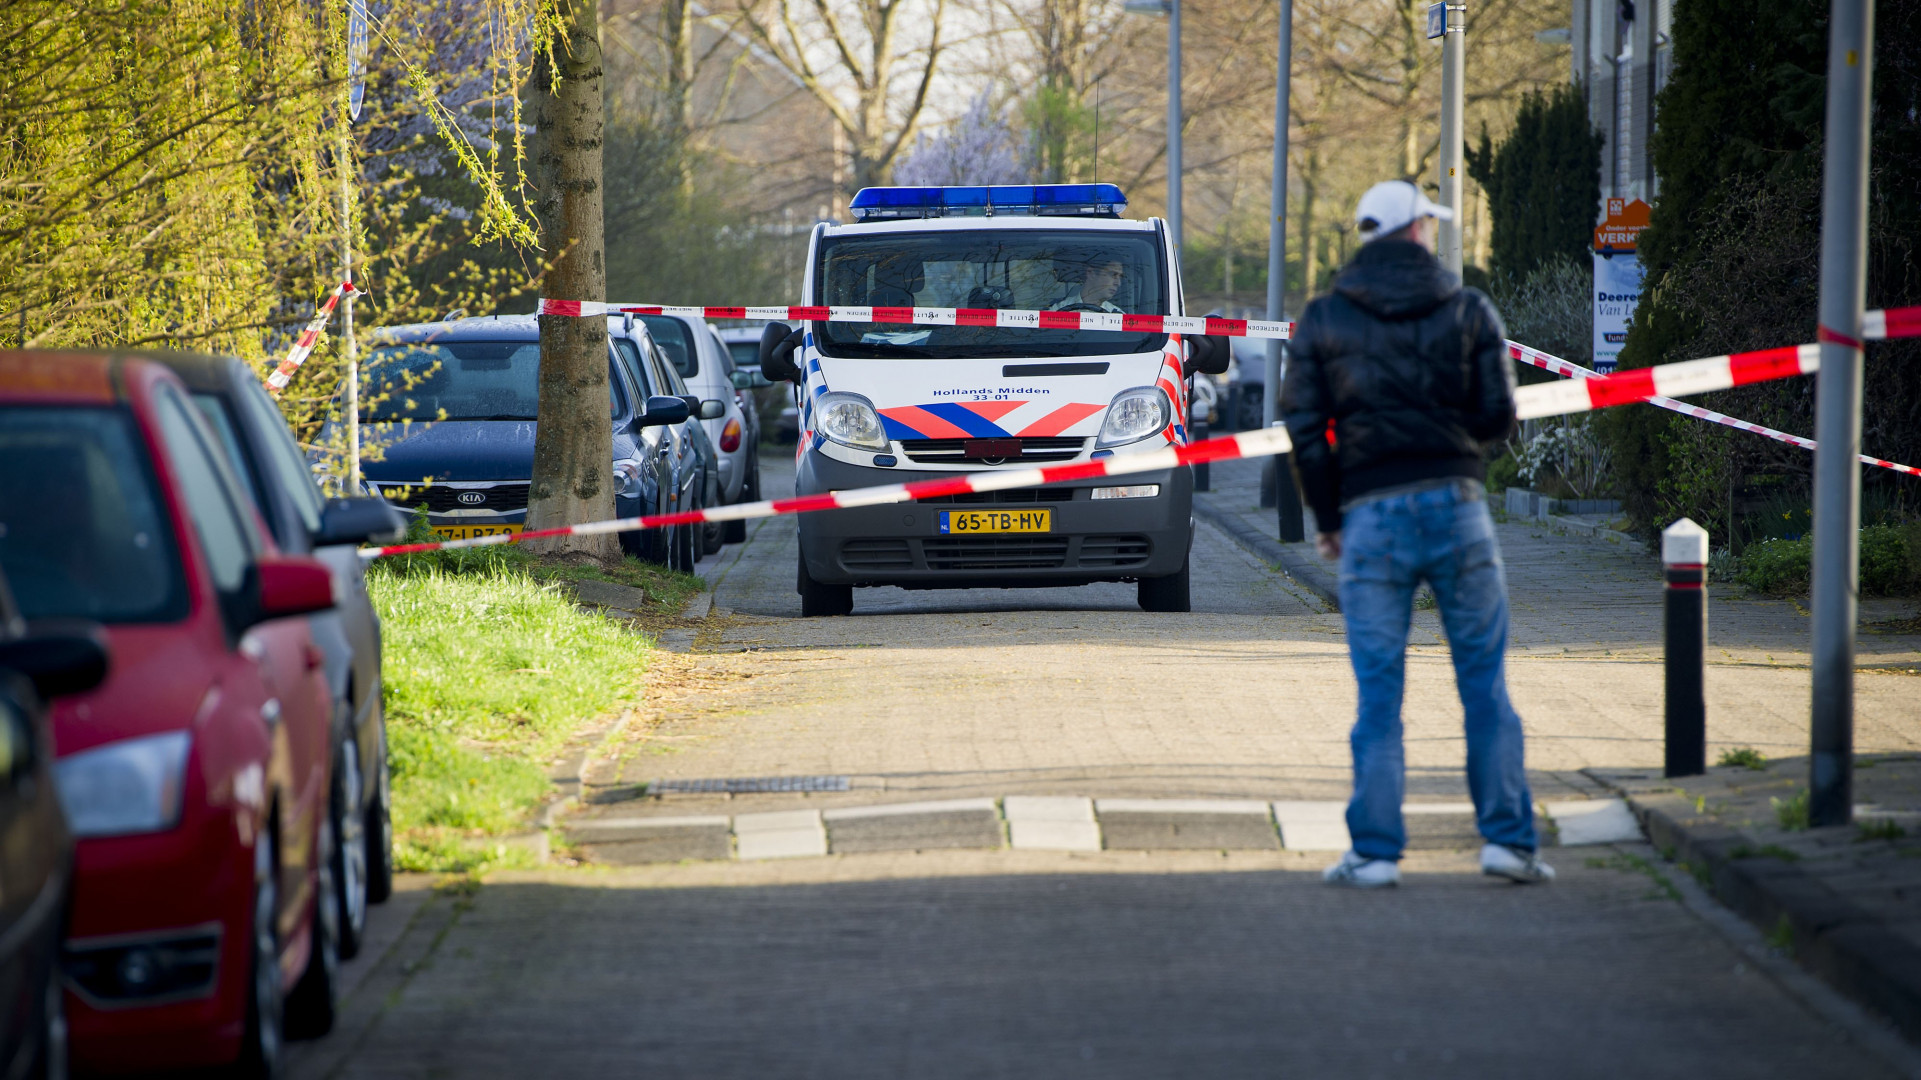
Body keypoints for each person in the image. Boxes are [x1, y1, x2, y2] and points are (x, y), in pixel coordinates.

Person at [1281, 179, 1552, 889]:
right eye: (1428, 224)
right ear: (1415, 232)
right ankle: (1506, 843)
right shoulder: (1468, 309)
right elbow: (1497, 418)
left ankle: (1373, 854)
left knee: (1378, 693)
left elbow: (1304, 432)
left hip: (1369, 518)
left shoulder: (1322, 318)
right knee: (1484, 684)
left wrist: (1330, 520)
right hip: (1457, 507)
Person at [1051, 256, 1126, 313]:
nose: (1118, 283)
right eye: (1113, 274)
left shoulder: (1117, 315)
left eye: (1120, 277)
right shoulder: (1057, 310)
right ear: (1091, 273)